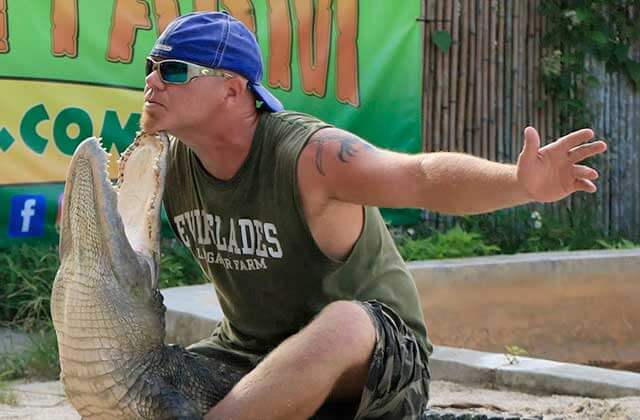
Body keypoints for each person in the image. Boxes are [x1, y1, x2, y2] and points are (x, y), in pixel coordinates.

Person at [141, 11, 607, 420]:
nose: (153, 81)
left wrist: (520, 183)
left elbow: (420, 176)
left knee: (343, 322)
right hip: (250, 357)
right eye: (151, 67)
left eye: (174, 70)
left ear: (232, 90)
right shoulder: (164, 164)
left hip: (381, 364)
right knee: (144, 382)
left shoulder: (309, 156)